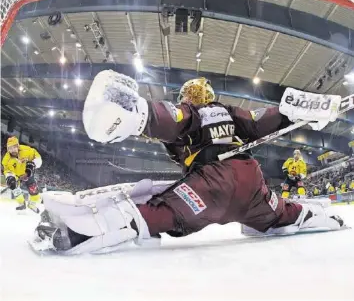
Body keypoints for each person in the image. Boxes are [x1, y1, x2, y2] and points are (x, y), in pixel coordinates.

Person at [30, 70, 345, 254]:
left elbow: (168, 119)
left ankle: (81, 232)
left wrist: (137, 113)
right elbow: (263, 119)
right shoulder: (233, 113)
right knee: (280, 213)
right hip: (252, 185)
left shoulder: (192, 114)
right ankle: (314, 216)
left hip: (209, 188)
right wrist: (297, 112)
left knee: (160, 211)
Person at [2, 136, 42, 213]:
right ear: (7, 149)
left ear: (17, 145)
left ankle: (32, 204)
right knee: (13, 186)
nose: (12, 150)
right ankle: (21, 203)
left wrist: (31, 167)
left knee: (33, 187)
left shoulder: (28, 150)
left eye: (14, 147)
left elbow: (39, 159)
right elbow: (7, 171)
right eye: (10, 148)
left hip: (27, 172)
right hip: (17, 175)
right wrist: (10, 178)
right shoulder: (6, 160)